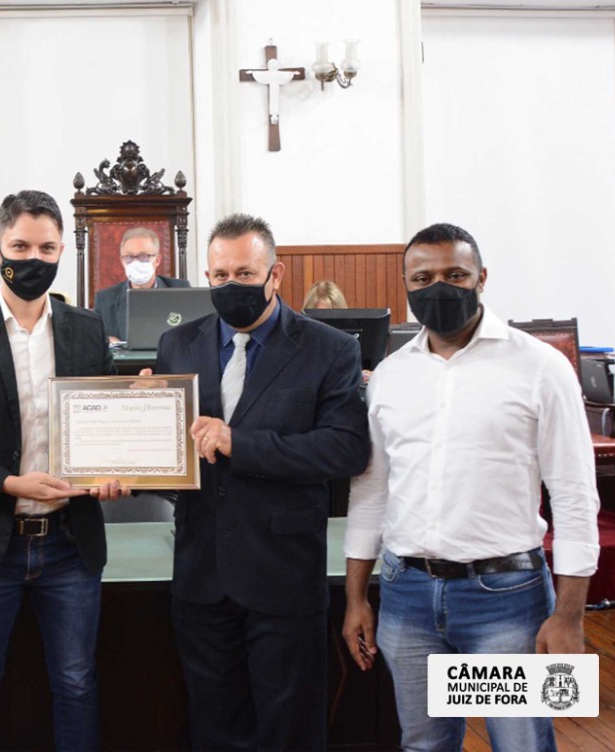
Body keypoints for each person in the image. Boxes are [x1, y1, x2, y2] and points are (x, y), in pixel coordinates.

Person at [342, 223, 600, 752]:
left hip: (505, 601)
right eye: (423, 277)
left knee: (520, 743)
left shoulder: (540, 367)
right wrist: (355, 599)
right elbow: (371, 494)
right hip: (407, 596)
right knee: (424, 744)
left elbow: (575, 496)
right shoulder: (390, 376)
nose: (440, 286)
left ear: (482, 278)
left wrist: (570, 615)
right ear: (407, 287)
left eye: (455, 274)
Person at [0, 190, 128, 752]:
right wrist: (9, 483)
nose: (34, 258)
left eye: (47, 247)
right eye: (21, 246)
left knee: (78, 683)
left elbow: (105, 427)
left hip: (68, 541)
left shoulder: (87, 329)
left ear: (63, 251)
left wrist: (114, 469)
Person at [153, 213, 370, 751]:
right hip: (202, 572)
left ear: (276, 275)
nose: (231, 286)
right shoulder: (177, 344)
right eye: (219, 275)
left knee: (290, 726)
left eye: (245, 274)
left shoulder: (328, 348)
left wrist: (238, 443)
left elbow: (345, 448)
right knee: (214, 725)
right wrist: (131, 461)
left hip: (282, 572)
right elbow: (171, 456)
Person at [93, 226, 190, 342]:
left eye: (143, 256)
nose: (135, 262)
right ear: (122, 260)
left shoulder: (180, 291)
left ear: (157, 260)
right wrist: (107, 341)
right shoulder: (105, 300)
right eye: (128, 257)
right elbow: (95, 339)